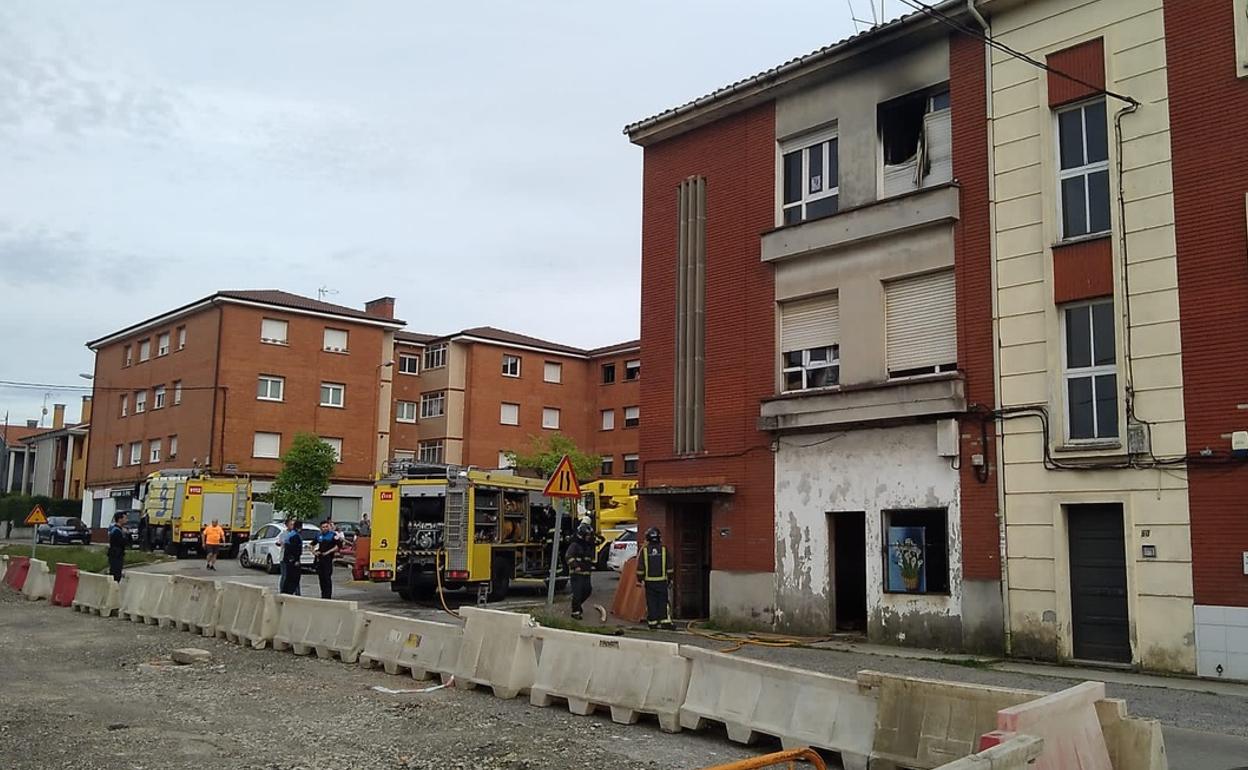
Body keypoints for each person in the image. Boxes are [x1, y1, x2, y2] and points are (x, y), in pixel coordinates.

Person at [636, 526, 675, 630]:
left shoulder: (644, 551)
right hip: (662, 581)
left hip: (649, 582)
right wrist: (670, 579)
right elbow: (670, 566)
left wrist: (640, 579)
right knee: (663, 601)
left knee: (651, 602)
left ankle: (652, 622)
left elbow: (640, 568)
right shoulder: (664, 550)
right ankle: (665, 622)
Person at [565, 521, 595, 620]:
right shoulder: (575, 545)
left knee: (587, 591)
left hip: (586, 573)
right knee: (577, 593)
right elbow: (568, 556)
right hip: (576, 574)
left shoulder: (588, 545)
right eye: (587, 535)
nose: (588, 537)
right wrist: (575, 566)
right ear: (582, 535)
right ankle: (575, 612)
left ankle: (577, 606)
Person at [313, 519, 340, 600]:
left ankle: (328, 596)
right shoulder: (319, 535)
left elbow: (338, 546)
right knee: (321, 578)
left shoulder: (333, 535)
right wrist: (314, 552)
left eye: (326, 527)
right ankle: (323, 595)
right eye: (323, 527)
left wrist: (328, 552)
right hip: (320, 559)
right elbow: (312, 544)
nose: (325, 528)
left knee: (327, 578)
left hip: (328, 559)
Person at [278, 517, 303, 595]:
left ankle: (296, 593)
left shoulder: (293, 535)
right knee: (288, 577)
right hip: (289, 560)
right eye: (291, 524)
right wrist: (295, 560)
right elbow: (293, 549)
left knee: (293, 578)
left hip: (290, 559)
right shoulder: (292, 536)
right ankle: (285, 593)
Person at [107, 511, 128, 583]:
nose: (126, 520)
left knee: (116, 573)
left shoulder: (117, 529)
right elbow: (122, 543)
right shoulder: (116, 531)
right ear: (120, 519)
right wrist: (126, 535)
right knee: (115, 574)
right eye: (125, 518)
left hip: (117, 554)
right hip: (116, 555)